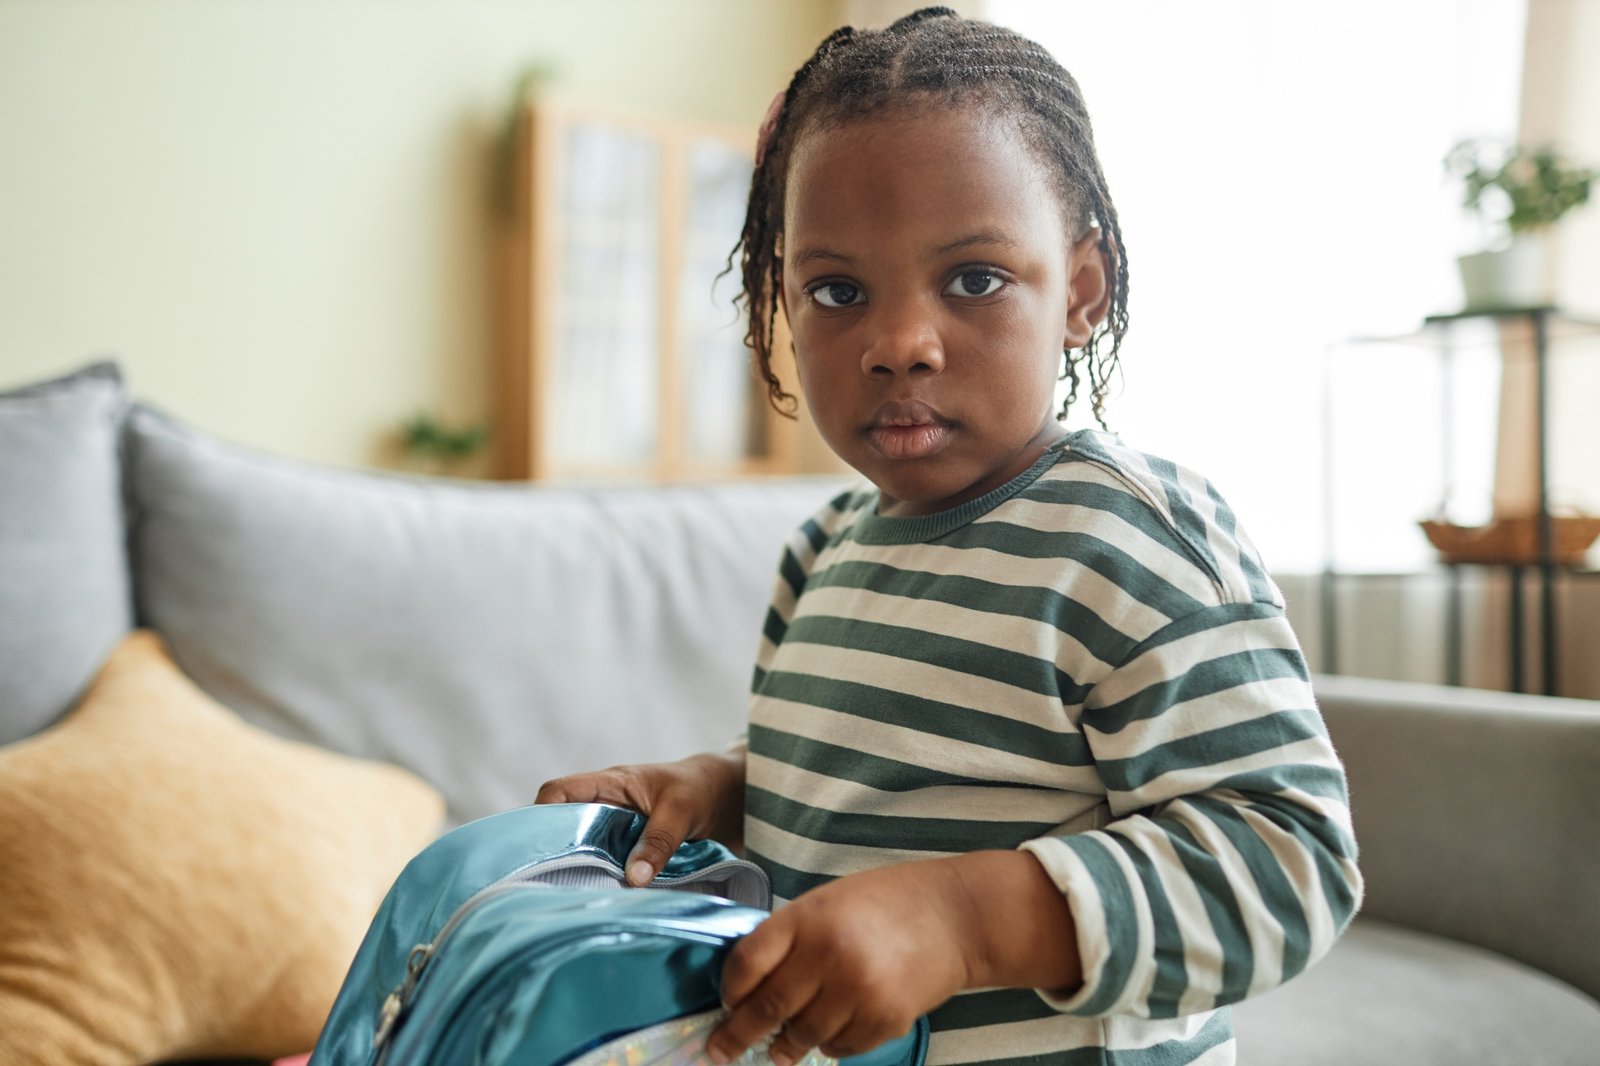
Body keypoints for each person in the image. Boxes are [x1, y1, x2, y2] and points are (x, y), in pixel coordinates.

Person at [537, 8, 1363, 1065]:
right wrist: (719, 791)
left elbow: (1288, 861)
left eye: (972, 279)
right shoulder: (824, 550)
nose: (898, 344)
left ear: (1080, 290)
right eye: (836, 291)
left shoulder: (1131, 537)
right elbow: (856, 786)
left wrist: (962, 922)